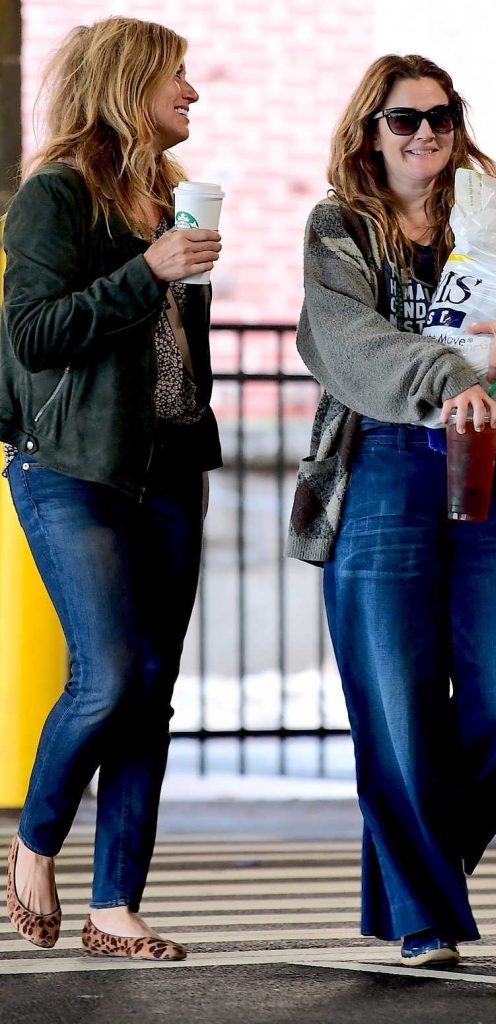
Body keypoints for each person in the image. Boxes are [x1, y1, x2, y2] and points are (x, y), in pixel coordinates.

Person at [287, 53, 496, 966]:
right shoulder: (339, 228)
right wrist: (442, 381)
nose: (425, 132)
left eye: (440, 114)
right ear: (369, 131)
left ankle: (419, 871)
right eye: (404, 119)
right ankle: (425, 914)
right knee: (394, 700)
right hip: (382, 461)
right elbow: (343, 340)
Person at [1, 17, 222, 961]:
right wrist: (148, 273)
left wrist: (169, 268)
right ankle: (34, 841)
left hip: (168, 466)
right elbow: (36, 333)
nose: (193, 92)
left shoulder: (168, 196)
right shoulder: (54, 194)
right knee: (109, 673)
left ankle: (114, 906)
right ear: (128, 84)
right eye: (177, 75)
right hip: (73, 468)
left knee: (154, 690)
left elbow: (170, 350)